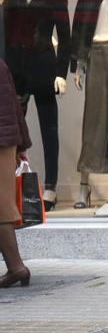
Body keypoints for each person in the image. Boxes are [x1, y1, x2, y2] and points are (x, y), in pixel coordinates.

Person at [0, 59, 31, 288]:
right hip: (7, 141)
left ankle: (17, 267)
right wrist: (21, 146)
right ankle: (16, 268)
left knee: (2, 209)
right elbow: (14, 105)